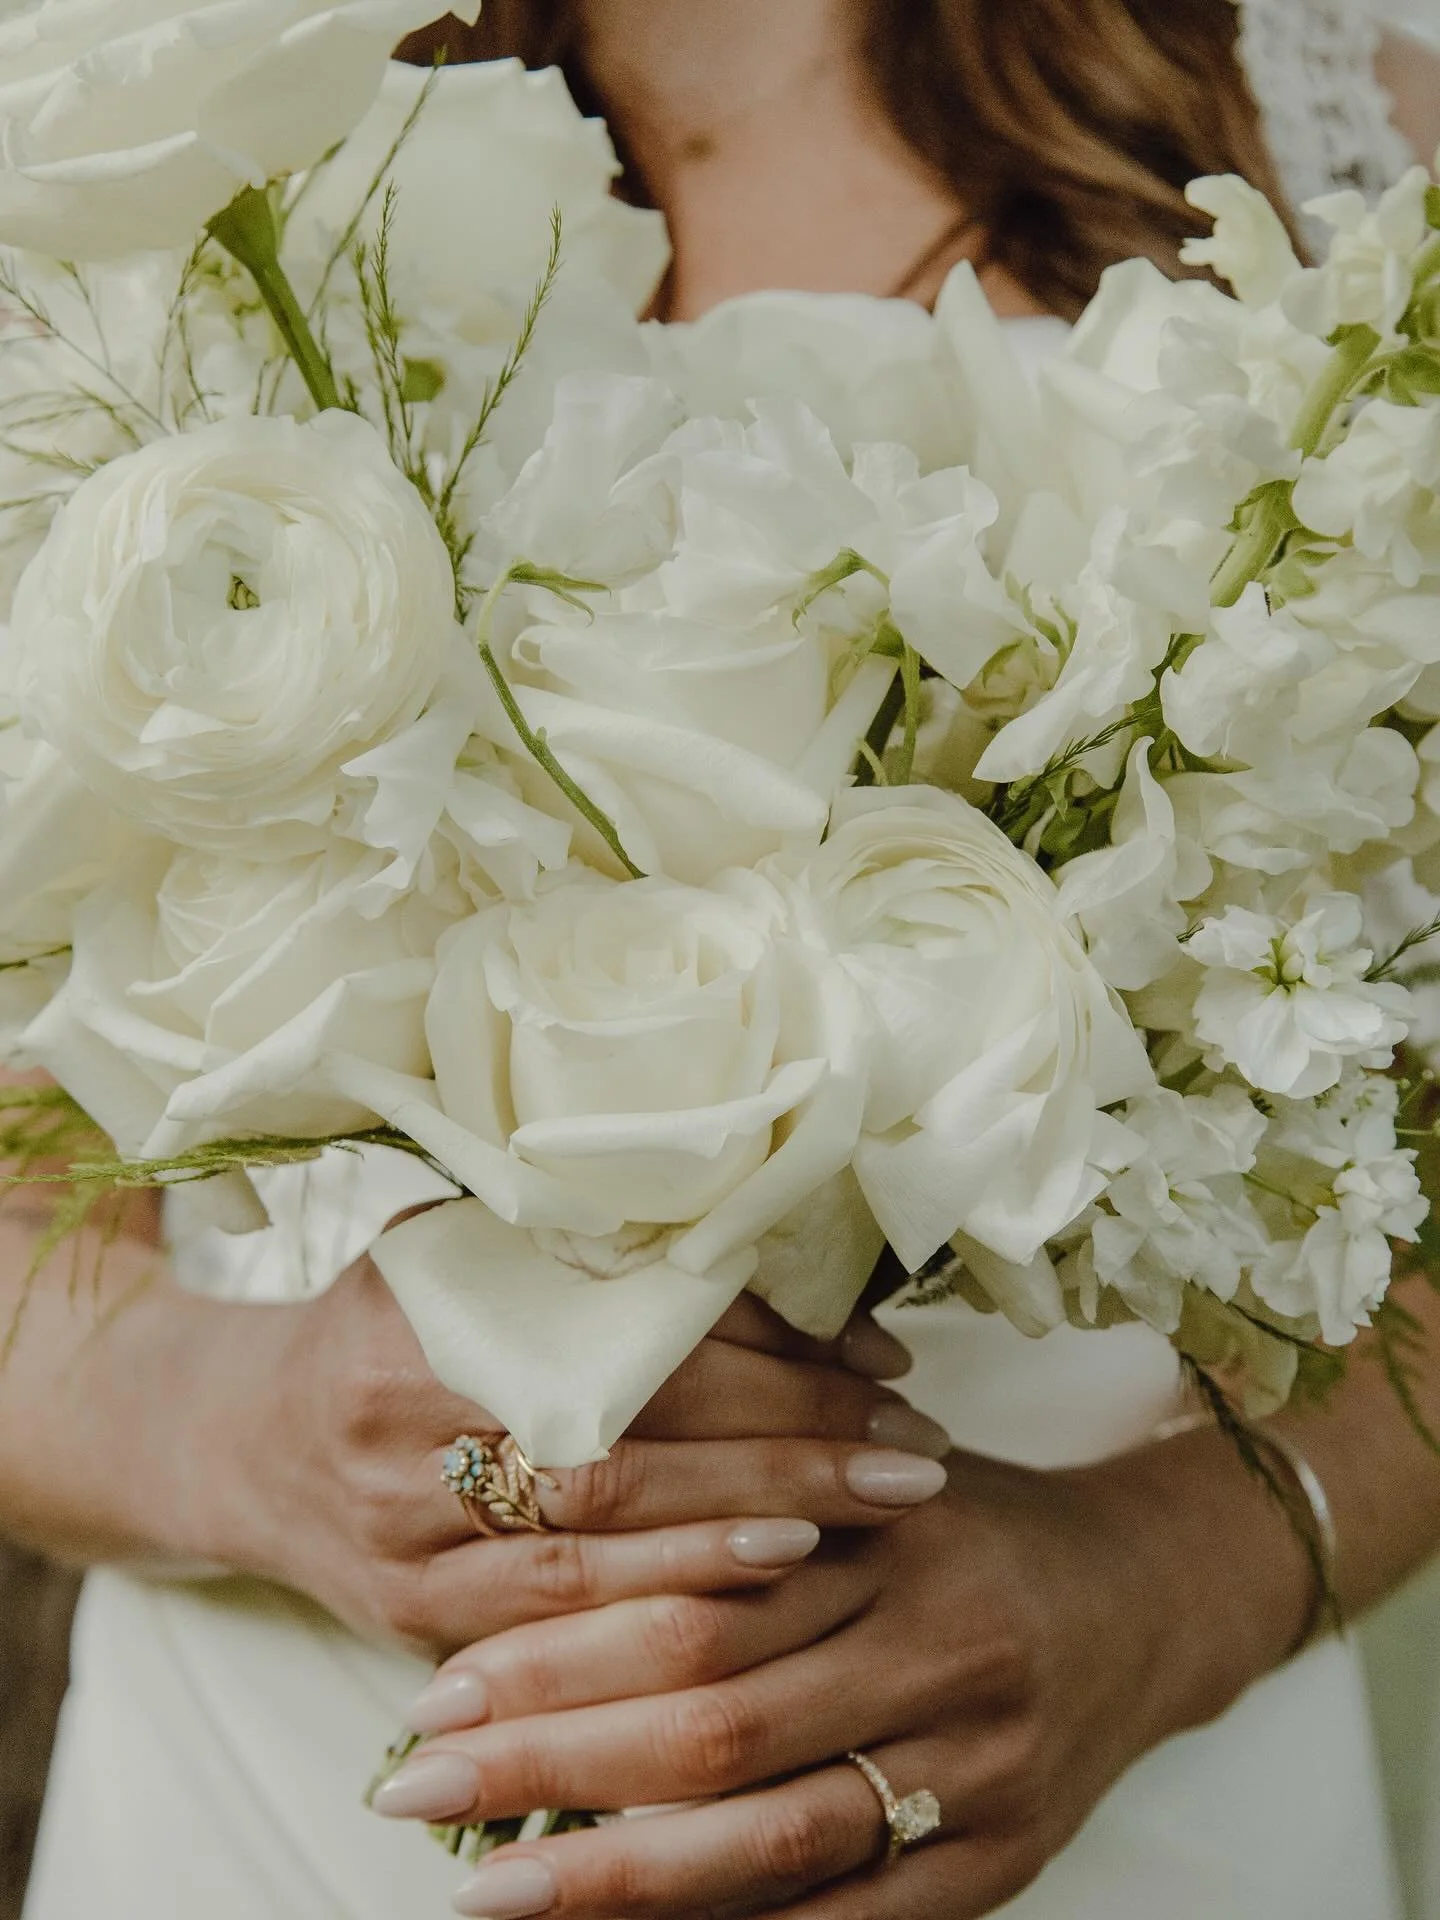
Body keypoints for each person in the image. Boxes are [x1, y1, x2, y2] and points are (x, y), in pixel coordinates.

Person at [10, 3, 1440, 1918]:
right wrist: (237, 1436)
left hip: (1111, 1792)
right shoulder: (129, 136)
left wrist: (1173, 1587)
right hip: (281, 1798)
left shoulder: (1357, 158)